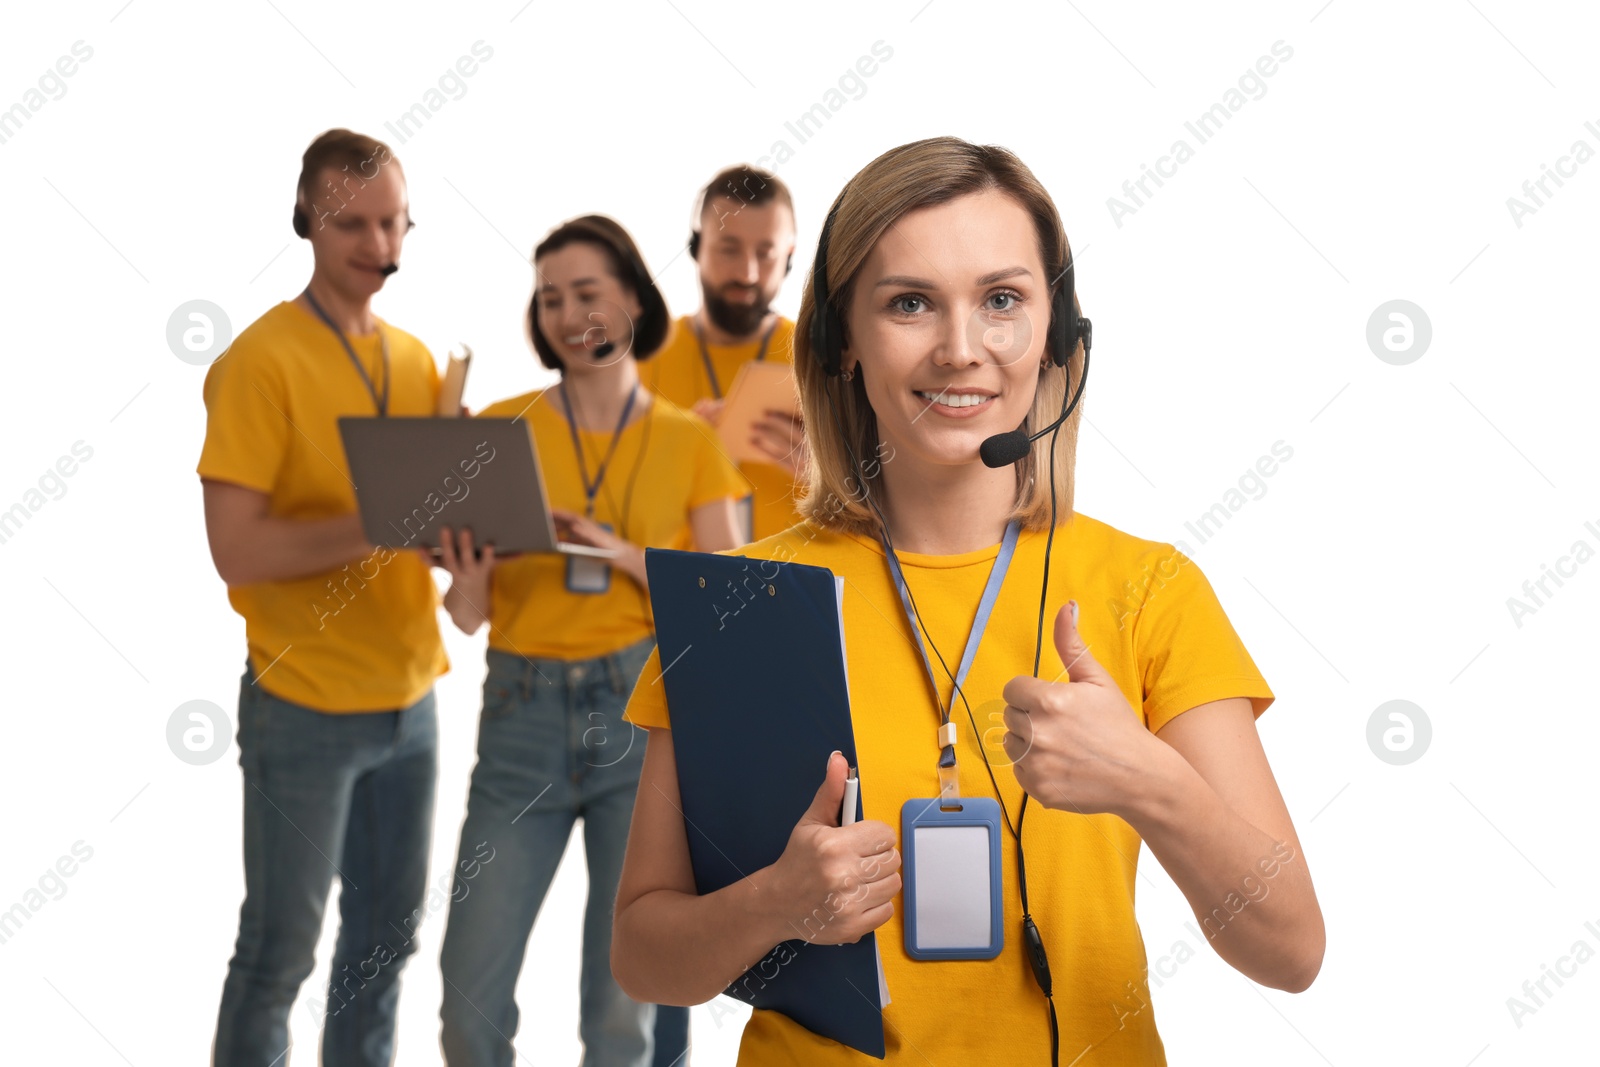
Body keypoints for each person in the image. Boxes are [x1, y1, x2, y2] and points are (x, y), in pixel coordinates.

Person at [610, 137, 1326, 1064]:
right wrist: (776, 902)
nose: (961, 350)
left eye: (1002, 300)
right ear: (837, 346)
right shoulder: (738, 600)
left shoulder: (1150, 591)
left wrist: (1147, 779)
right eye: (910, 303)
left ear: (1058, 335)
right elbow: (643, 956)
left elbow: (1291, 949)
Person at [436, 215, 747, 1067]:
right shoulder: (500, 429)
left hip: (639, 718)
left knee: (623, 1017)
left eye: (587, 293)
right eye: (549, 299)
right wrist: (466, 572)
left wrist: (618, 555)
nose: (569, 313)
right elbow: (468, 614)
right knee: (468, 1000)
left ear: (634, 300)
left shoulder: (690, 442)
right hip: (519, 715)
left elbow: (724, 608)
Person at [200, 128, 447, 1067]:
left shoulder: (420, 362)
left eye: (394, 224)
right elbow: (236, 551)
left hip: (413, 701)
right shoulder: (259, 363)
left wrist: (459, 542)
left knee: (382, 950)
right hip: (302, 705)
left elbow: (421, 538)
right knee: (278, 957)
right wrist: (377, 522)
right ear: (305, 219)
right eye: (353, 223)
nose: (380, 247)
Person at [646, 165, 804, 543]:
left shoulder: (825, 359)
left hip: (793, 589)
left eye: (766, 253)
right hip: (670, 593)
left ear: (789, 257)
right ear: (696, 248)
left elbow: (890, 502)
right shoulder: (639, 358)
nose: (747, 273)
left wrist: (832, 474)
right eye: (729, 250)